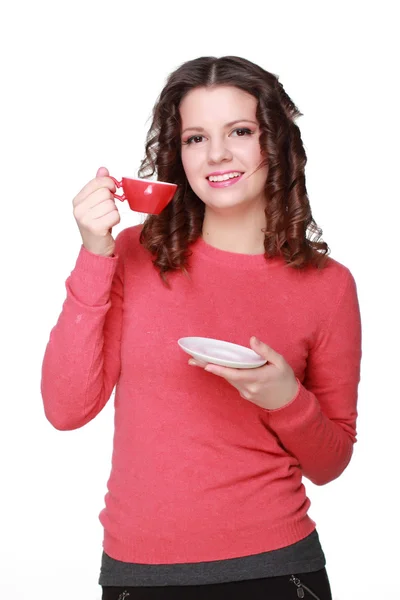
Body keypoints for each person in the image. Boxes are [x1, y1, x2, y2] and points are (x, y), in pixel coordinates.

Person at [40, 56, 362, 600]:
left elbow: (330, 463)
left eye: (240, 131)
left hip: (277, 570)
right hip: (137, 573)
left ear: (276, 144)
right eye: (195, 138)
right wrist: (94, 253)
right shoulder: (130, 256)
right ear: (177, 154)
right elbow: (66, 409)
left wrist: (287, 398)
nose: (216, 154)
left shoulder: (328, 286)